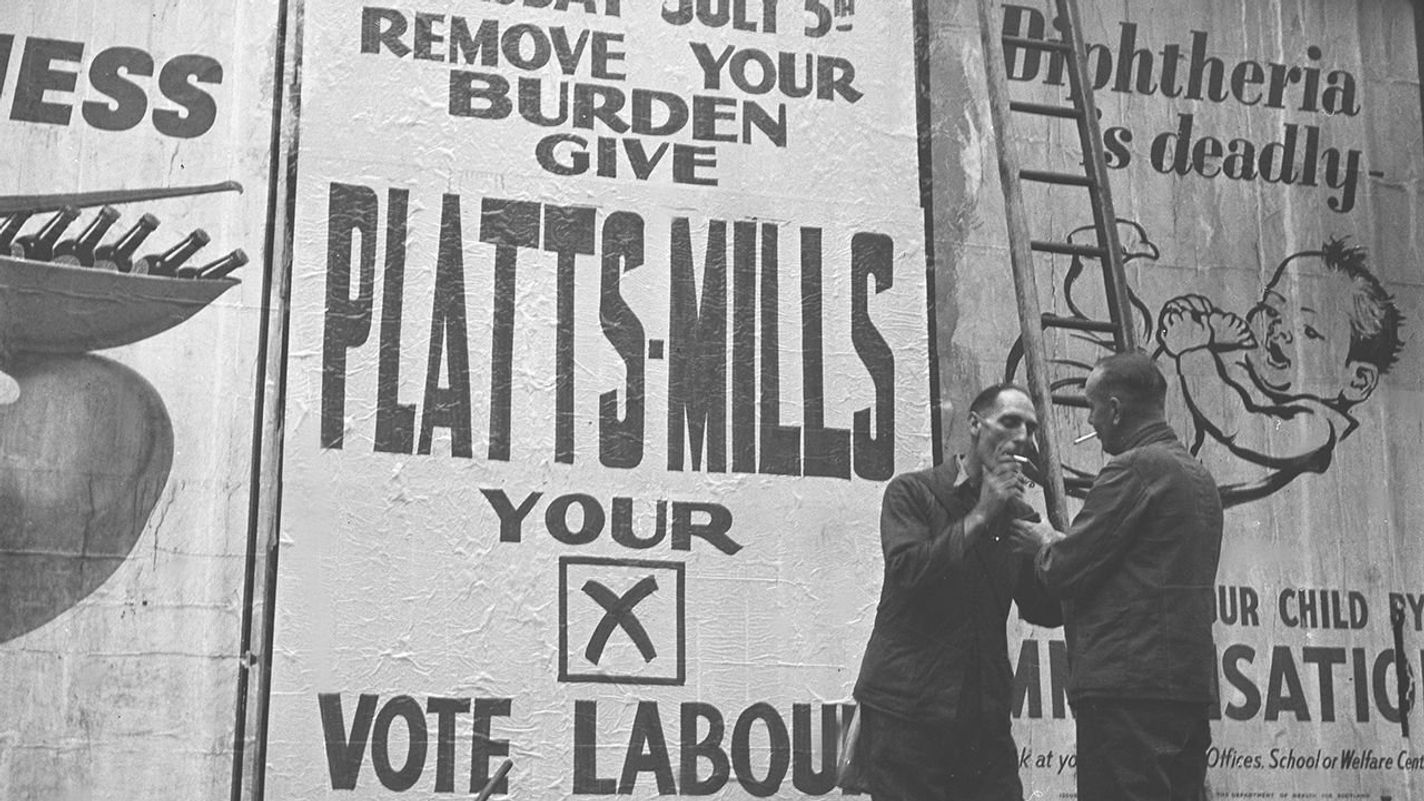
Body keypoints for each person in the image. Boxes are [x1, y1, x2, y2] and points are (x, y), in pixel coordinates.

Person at [1007, 351, 1224, 801]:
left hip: (1127, 694)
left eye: (1092, 407)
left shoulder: (1133, 468)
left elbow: (1066, 568)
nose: (1091, 419)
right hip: (1185, 689)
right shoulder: (1197, 476)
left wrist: (1046, 541)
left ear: (1116, 409)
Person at [848, 383, 1062, 801]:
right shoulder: (913, 493)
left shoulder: (1019, 515)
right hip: (907, 714)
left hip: (982, 721)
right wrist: (982, 514)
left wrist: (1055, 549)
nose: (1023, 437)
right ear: (975, 425)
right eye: (1010, 422)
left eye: (1032, 429)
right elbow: (910, 573)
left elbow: (1044, 610)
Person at [1155, 237, 1404, 504]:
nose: (1278, 330)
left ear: (1358, 380)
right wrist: (1208, 326)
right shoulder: (1257, 385)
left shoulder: (1318, 426)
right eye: (1270, 311)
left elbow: (1239, 424)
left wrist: (1194, 351)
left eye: (1308, 330)